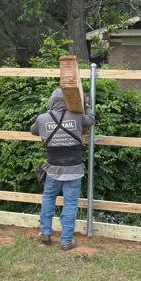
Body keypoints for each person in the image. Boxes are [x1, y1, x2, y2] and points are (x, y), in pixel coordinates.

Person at [30, 88, 95, 250]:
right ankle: (66, 241)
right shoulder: (77, 116)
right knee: (70, 204)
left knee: (48, 199)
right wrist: (87, 105)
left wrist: (48, 119)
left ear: (51, 102)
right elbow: (91, 120)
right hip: (74, 169)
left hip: (53, 169)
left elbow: (33, 131)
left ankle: (45, 233)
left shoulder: (42, 118)